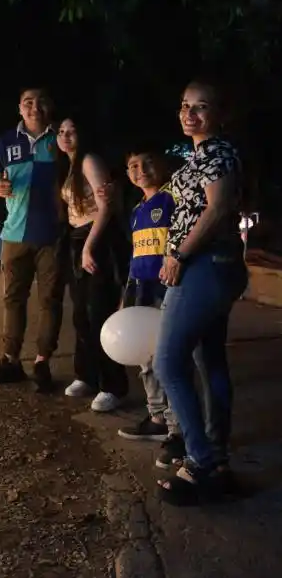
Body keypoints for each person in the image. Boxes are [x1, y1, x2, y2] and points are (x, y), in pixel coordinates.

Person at [153, 79, 247, 506]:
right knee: (209, 361)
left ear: (219, 114)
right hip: (208, 265)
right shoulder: (197, 155)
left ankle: (200, 462)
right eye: (185, 105)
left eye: (201, 107)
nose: (189, 114)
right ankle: (217, 459)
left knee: (168, 361)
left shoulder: (217, 152)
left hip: (204, 265)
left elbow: (217, 208)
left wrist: (179, 255)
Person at [0, 87, 66, 393]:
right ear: (19, 108)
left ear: (50, 106)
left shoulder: (61, 139)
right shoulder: (5, 142)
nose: (34, 107)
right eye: (28, 102)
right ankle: (10, 360)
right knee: (13, 299)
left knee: (50, 300)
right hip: (14, 235)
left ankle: (42, 362)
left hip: (53, 235)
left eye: (41, 101)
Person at [57, 117, 129, 412]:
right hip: (77, 238)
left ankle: (113, 385)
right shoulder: (70, 165)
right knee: (81, 314)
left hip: (96, 239)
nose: (65, 136)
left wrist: (89, 247)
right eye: (61, 132)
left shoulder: (89, 160)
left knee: (99, 312)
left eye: (72, 131)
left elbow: (106, 207)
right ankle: (86, 375)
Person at [114, 148, 179, 440]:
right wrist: (126, 297)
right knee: (146, 357)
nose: (140, 170)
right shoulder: (137, 211)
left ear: (162, 164)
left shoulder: (174, 198)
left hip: (169, 289)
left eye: (147, 163)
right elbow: (136, 256)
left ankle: (177, 427)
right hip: (142, 291)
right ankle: (156, 417)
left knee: (169, 358)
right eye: (133, 165)